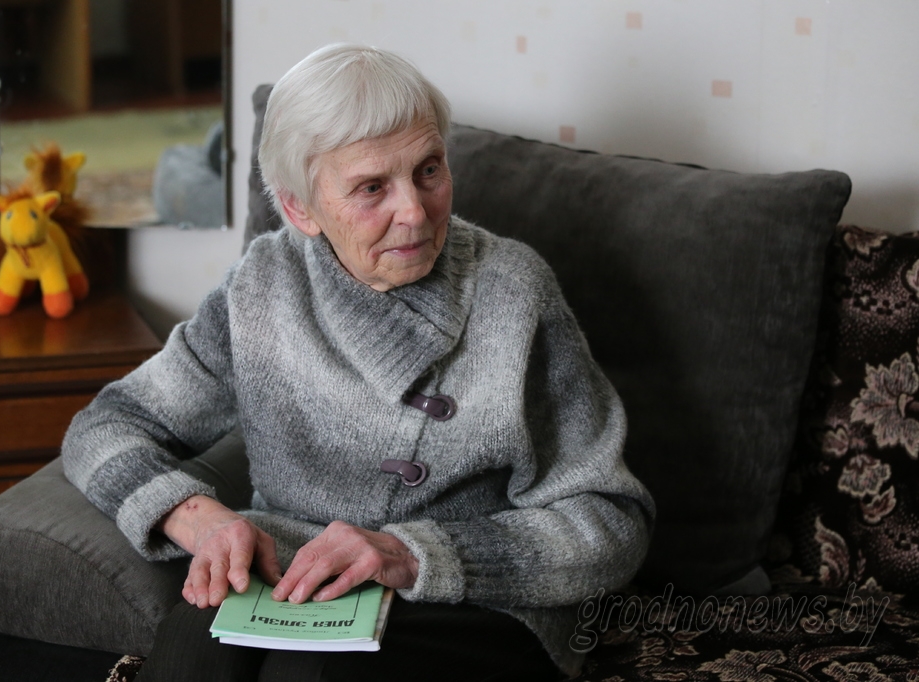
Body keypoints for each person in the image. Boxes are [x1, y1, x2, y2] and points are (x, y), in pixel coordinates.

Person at [62, 43, 654, 681]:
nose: (415, 212)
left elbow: (611, 521)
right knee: (190, 657)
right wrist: (196, 519)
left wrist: (413, 553)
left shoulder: (515, 293)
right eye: (372, 187)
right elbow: (106, 426)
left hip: (469, 599)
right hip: (286, 574)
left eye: (429, 171)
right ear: (300, 208)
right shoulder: (263, 286)